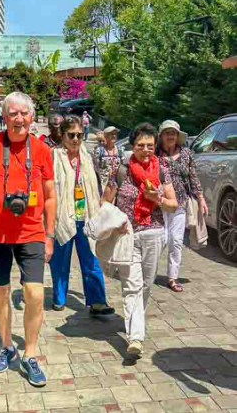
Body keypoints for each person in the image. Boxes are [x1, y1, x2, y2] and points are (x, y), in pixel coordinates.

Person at [0, 91, 56, 387]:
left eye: (24, 113)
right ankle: (7, 346)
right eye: (13, 114)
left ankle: (30, 354)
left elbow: (50, 195)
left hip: (31, 232)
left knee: (35, 294)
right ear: (3, 117)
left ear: (32, 117)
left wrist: (50, 235)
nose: (19, 119)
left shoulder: (41, 150)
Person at [112, 122, 178, 357]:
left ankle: (134, 323)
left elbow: (173, 205)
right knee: (132, 286)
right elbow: (105, 201)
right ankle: (136, 338)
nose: (146, 150)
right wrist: (115, 220)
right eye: (141, 145)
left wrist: (156, 198)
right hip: (127, 234)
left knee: (146, 285)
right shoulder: (121, 170)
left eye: (150, 145)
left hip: (153, 233)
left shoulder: (161, 171)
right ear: (132, 146)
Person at [50, 116, 115, 316]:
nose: (76, 139)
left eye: (79, 135)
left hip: (85, 215)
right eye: (71, 135)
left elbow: (97, 184)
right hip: (62, 216)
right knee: (60, 261)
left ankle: (97, 301)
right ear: (62, 135)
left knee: (91, 259)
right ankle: (59, 297)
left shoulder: (86, 157)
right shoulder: (53, 156)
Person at [156, 120, 207, 293]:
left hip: (180, 203)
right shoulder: (155, 153)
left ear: (178, 136)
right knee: (161, 239)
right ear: (161, 136)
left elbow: (193, 177)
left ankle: (172, 277)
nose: (170, 136)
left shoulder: (186, 153)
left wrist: (201, 198)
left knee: (176, 241)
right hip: (160, 204)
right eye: (167, 133)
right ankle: (146, 272)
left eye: (173, 133)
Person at [93, 126, 124, 192]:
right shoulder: (99, 150)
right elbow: (95, 169)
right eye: (111, 134)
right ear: (106, 136)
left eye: (115, 134)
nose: (114, 136)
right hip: (102, 187)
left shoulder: (120, 150)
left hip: (116, 187)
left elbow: (121, 168)